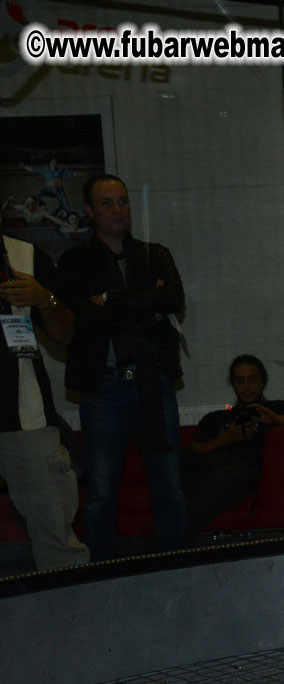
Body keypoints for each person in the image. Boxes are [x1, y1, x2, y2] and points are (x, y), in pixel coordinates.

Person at [53, 174, 187, 562]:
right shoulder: (76, 261)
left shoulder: (153, 254)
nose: (117, 210)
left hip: (154, 384)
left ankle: (176, 568)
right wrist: (147, 304)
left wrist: (109, 299)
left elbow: (174, 298)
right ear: (90, 211)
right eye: (108, 203)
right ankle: (104, 575)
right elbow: (81, 319)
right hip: (105, 389)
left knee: (170, 486)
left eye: (123, 201)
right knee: (101, 492)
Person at [0, 235, 90, 570]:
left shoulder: (23, 254)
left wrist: (43, 299)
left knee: (57, 537)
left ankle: (75, 615)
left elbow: (66, 334)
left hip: (26, 415)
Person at [181, 355, 284, 535]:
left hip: (243, 471)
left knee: (225, 476)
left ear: (263, 381)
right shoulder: (215, 418)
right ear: (233, 384)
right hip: (208, 465)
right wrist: (227, 439)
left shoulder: (274, 409)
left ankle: (174, 538)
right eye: (240, 380)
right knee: (182, 466)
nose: (246, 386)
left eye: (252, 379)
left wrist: (281, 419)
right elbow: (195, 452)